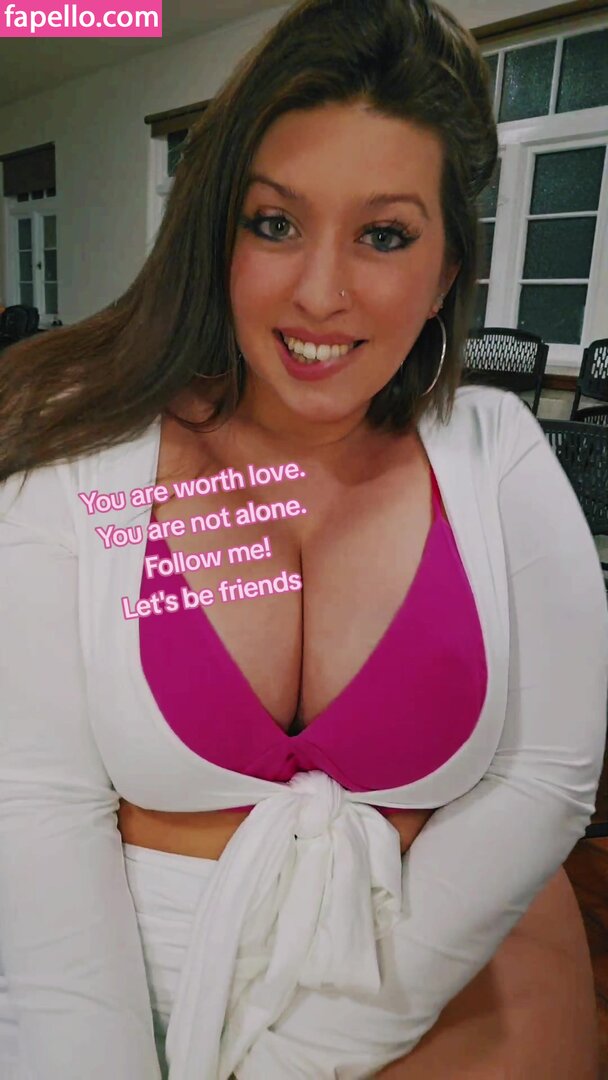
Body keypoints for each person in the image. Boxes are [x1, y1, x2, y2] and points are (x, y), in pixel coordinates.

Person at [1, 0, 607, 1076]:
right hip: (114, 999)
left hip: (412, 993)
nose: (320, 293)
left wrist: (308, 1058)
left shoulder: (496, 456)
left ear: (446, 271)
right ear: (217, 234)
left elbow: (541, 780)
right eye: (274, 223)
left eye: (384, 235)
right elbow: (37, 805)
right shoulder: (85, 454)